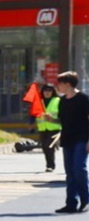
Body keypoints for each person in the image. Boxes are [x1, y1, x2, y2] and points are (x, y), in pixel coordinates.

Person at [55, 72, 89, 213]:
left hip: (82, 139)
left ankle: (85, 198)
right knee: (70, 172)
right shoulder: (63, 101)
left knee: (78, 168)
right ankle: (71, 203)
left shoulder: (83, 99)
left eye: (60, 83)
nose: (58, 86)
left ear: (68, 84)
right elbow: (64, 120)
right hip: (67, 139)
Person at [35, 82, 60, 174]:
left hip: (54, 127)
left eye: (50, 90)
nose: (47, 92)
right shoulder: (39, 101)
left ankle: (50, 166)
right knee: (44, 147)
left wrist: (54, 119)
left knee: (49, 146)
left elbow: (62, 114)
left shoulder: (57, 100)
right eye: (45, 90)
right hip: (43, 128)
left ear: (53, 91)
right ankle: (48, 163)